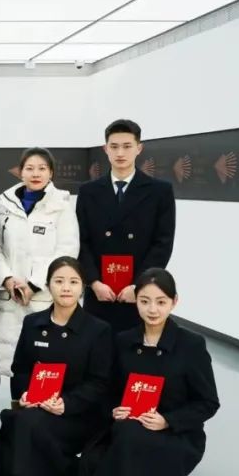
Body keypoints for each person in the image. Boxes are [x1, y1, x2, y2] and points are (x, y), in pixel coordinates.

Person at [80, 269, 219, 476]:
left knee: (131, 438)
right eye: (144, 301)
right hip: (129, 424)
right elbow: (109, 390)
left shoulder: (191, 345)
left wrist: (167, 420)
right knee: (116, 439)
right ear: (136, 301)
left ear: (174, 302)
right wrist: (115, 409)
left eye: (161, 302)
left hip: (176, 432)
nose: (152, 309)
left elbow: (208, 402)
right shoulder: (123, 341)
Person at [0, 257, 111, 476]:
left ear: (83, 287)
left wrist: (66, 404)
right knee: (13, 419)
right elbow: (20, 369)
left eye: (73, 282)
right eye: (59, 281)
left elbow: (99, 383)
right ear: (48, 285)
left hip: (77, 413)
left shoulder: (98, 330)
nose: (66, 288)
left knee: (31, 423)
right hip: (37, 405)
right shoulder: (32, 323)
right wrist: (25, 394)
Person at [77, 119, 176, 334]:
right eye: (114, 146)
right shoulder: (88, 191)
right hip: (100, 291)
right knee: (97, 345)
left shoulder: (159, 191)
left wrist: (139, 285)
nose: (120, 153)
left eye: (127, 146)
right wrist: (93, 282)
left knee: (134, 346)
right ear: (105, 149)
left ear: (139, 148)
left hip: (138, 292)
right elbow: (81, 241)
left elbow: (163, 243)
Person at [0, 147, 79, 374]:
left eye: (42, 168)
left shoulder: (61, 206)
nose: (36, 173)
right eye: (29, 168)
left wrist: (33, 284)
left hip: (43, 296)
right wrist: (7, 279)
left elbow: (66, 251)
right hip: (9, 296)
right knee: (5, 366)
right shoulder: (3, 204)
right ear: (20, 172)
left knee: (42, 367)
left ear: (51, 173)